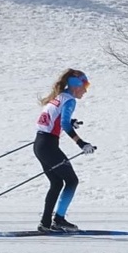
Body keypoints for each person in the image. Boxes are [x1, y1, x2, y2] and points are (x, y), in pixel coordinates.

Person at [34, 68, 96, 232]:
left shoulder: (58, 97)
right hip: (48, 146)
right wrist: (82, 144)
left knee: (56, 183)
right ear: (76, 86)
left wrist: (71, 121)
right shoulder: (69, 100)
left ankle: (46, 224)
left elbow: (57, 119)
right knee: (71, 181)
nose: (85, 90)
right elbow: (64, 124)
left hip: (40, 144)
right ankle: (59, 220)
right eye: (85, 85)